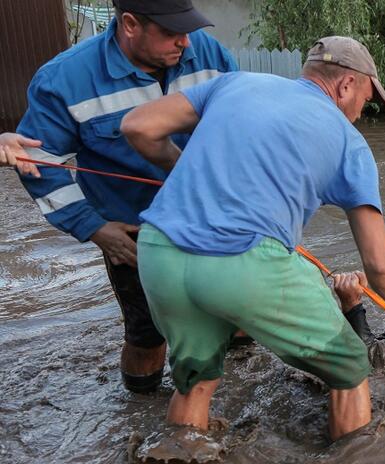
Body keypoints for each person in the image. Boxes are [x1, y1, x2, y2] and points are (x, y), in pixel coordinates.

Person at [120, 36, 385, 440]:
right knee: (351, 366)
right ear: (346, 85)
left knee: (195, 379)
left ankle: (181, 448)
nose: (359, 113)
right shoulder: (349, 141)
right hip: (242, 262)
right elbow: (377, 260)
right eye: (366, 100)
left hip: (158, 251)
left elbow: (137, 126)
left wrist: (181, 168)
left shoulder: (234, 82)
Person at [10, 0, 237, 394]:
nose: (186, 41)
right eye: (171, 32)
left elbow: (242, 126)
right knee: (147, 335)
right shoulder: (64, 79)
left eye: (187, 28)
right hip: (133, 231)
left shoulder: (210, 54)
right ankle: (140, 404)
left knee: (236, 310)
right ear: (130, 24)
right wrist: (94, 228)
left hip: (212, 217)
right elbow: (42, 163)